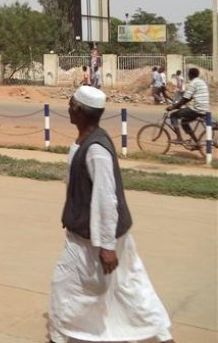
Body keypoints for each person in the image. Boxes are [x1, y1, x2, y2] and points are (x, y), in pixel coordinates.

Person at [49, 86, 174, 343]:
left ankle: (59, 336)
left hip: (94, 239)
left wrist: (106, 246)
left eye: (72, 104)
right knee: (128, 286)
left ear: (81, 111)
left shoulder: (96, 148)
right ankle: (160, 332)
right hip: (88, 234)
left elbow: (107, 198)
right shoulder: (87, 140)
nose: (69, 108)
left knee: (68, 286)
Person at [168, 67, 210, 145]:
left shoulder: (193, 83)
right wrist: (178, 105)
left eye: (188, 75)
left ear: (190, 75)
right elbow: (189, 98)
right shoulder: (201, 82)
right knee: (184, 121)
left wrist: (173, 107)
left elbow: (185, 99)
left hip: (197, 109)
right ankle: (196, 142)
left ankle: (179, 138)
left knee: (173, 115)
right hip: (204, 108)